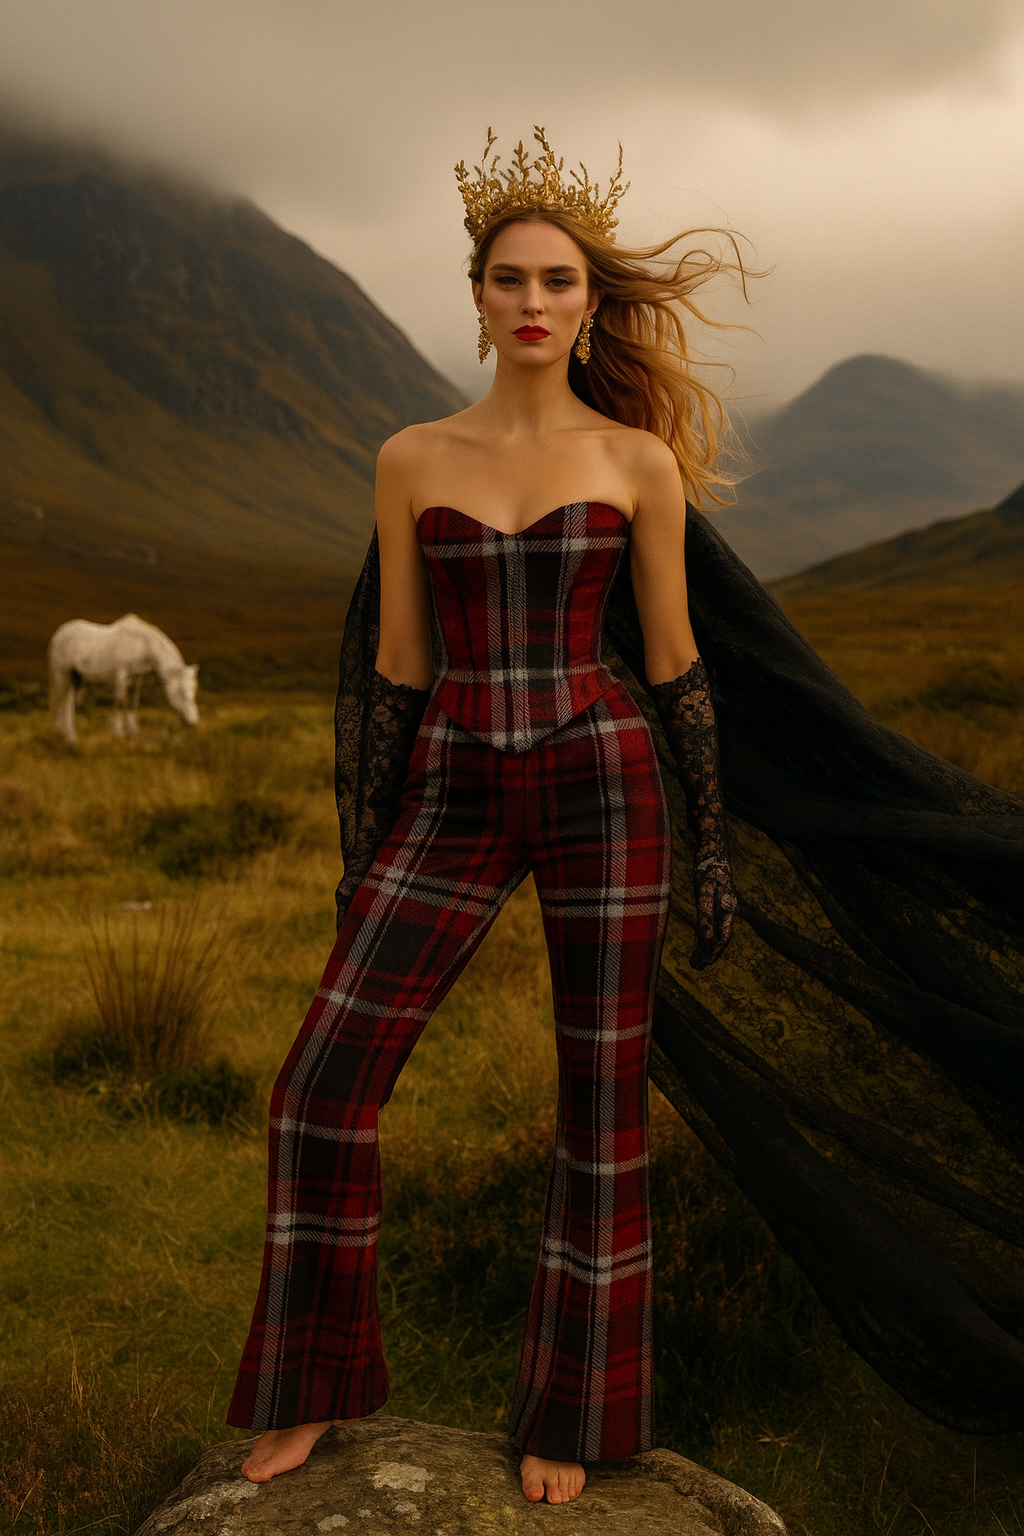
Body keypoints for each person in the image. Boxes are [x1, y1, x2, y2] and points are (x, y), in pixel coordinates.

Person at [227, 128, 745, 1502]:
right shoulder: (410, 457)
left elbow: (678, 659)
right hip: (452, 781)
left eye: (556, 281)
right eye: (506, 278)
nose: (531, 300)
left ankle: (570, 1413)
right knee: (320, 1089)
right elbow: (397, 669)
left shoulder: (637, 462)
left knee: (600, 1108)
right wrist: (364, 857)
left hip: (603, 777)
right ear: (474, 296)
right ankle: (308, 1392)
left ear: (588, 304)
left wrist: (713, 842)